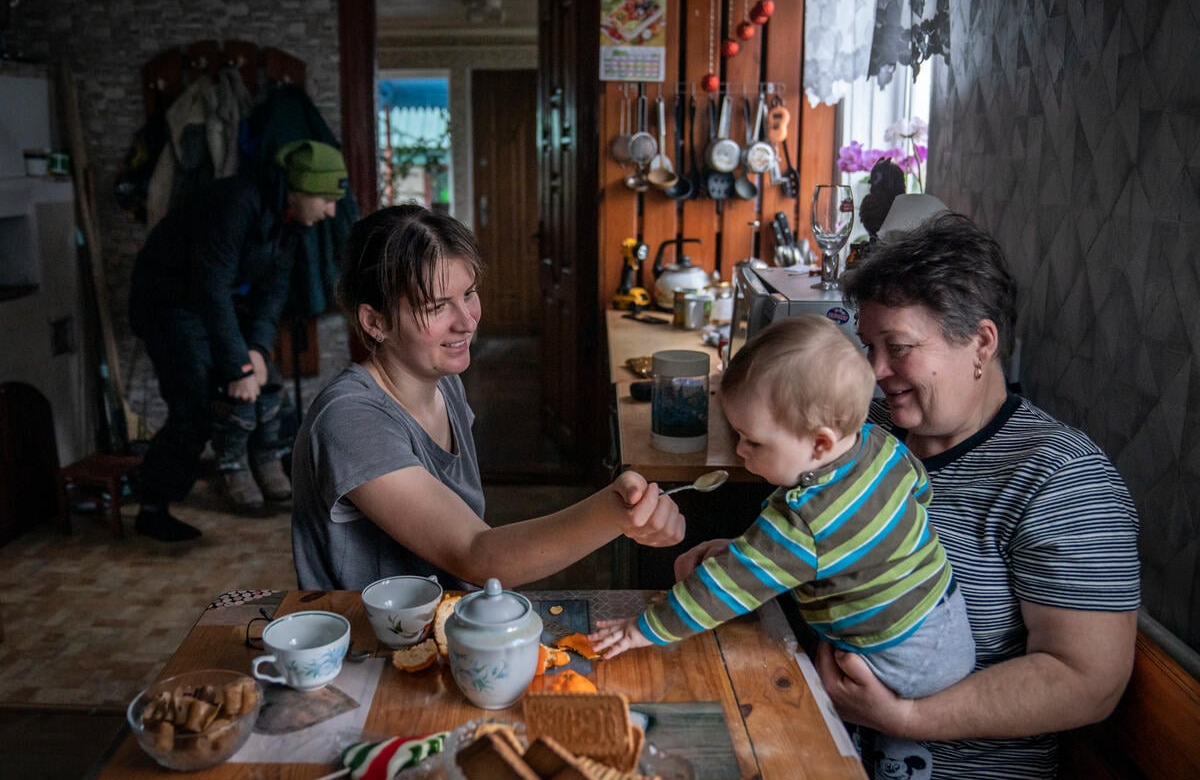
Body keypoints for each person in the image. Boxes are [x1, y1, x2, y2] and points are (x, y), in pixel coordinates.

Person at [678, 213, 1142, 778]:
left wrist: (908, 717)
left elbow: (1086, 682)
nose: (874, 372)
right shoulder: (865, 428)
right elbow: (828, 551)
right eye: (868, 346)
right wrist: (745, 562)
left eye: (897, 347)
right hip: (798, 726)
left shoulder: (1062, 480)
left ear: (981, 342)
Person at [289, 204, 684, 591]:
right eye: (437, 306)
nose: (467, 321)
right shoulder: (349, 420)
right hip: (371, 647)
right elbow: (475, 554)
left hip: (445, 627)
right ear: (375, 322)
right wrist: (612, 512)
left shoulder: (444, 383)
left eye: (469, 294)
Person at [589, 315, 976, 704]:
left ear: (820, 445)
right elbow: (921, 493)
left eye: (752, 441)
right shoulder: (881, 445)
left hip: (897, 652)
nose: (740, 451)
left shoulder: (803, 521)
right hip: (947, 612)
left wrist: (642, 629)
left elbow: (726, 586)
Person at [129, 139, 347, 541]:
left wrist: (258, 351)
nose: (331, 210)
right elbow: (210, 286)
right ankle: (153, 505)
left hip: (217, 301)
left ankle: (262, 462)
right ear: (299, 189)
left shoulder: (292, 222)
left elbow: (273, 293)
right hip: (169, 303)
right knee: (193, 402)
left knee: (266, 379)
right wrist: (237, 366)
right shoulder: (236, 203)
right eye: (326, 198)